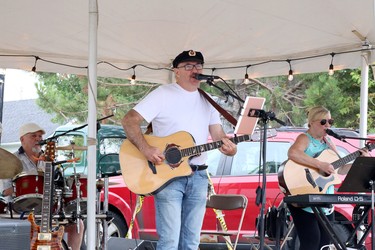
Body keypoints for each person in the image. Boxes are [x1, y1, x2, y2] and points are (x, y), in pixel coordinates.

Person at [121, 50, 237, 250]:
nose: (195, 70)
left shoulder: (206, 99)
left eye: (198, 66)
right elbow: (129, 120)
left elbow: (217, 134)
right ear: (176, 71)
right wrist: (146, 149)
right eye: (188, 66)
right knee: (169, 241)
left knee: (191, 242)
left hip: (199, 175)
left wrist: (229, 148)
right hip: (168, 176)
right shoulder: (163, 94)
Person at [286, 106, 369, 250]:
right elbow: (293, 153)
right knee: (311, 242)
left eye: (330, 121)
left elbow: (340, 169)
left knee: (325, 243)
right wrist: (320, 164)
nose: (328, 125)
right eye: (323, 121)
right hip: (304, 195)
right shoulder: (304, 138)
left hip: (325, 198)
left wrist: (359, 161)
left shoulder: (329, 142)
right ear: (311, 122)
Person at [1, 122, 84, 250]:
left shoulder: (49, 160)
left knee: (78, 224)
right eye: (33, 136)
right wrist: (22, 188)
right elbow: (6, 191)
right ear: (22, 139)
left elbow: (57, 187)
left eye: (40, 136)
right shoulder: (11, 161)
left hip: (46, 211)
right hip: (20, 212)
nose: (38, 139)